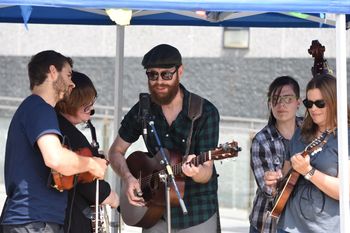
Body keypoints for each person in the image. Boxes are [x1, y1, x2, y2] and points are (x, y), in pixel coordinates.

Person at [108, 44, 220, 233]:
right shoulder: (142, 110)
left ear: (180, 71)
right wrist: (128, 178)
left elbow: (206, 172)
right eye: (153, 75)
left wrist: (195, 171)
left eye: (166, 75)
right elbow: (115, 151)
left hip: (196, 212)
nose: (159, 81)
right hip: (153, 212)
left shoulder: (204, 112)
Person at [0, 50, 108, 233]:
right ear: (52, 72)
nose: (72, 83)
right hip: (33, 221)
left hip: (34, 220)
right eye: (68, 75)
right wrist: (91, 163)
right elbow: (55, 158)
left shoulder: (35, 108)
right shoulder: (40, 108)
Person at [265, 74, 350, 232]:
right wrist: (275, 180)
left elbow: (345, 190)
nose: (313, 109)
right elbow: (285, 177)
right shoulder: (300, 134)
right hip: (289, 226)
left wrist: (309, 172)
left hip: (326, 228)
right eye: (309, 103)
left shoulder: (346, 138)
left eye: (320, 103)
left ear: (334, 102)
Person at [55, 71, 119, 233]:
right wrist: (112, 197)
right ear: (71, 103)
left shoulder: (54, 124)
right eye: (86, 107)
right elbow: (87, 183)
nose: (90, 112)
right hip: (69, 218)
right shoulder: (70, 135)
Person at [249, 76, 302, 233]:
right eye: (276, 99)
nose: (281, 104)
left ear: (298, 102)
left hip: (302, 221)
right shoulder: (261, 140)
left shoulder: (309, 130)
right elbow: (270, 192)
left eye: (288, 98)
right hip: (268, 223)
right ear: (270, 104)